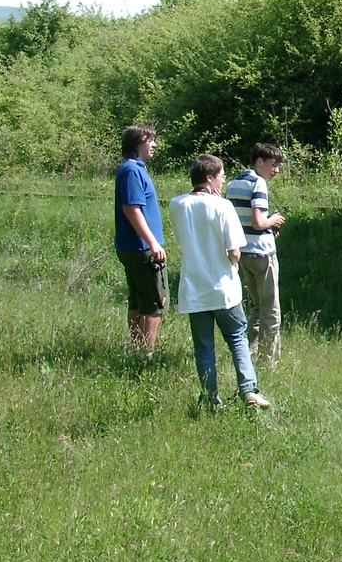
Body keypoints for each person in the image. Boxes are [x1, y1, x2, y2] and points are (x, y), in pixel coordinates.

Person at [169, 154, 271, 410]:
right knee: (237, 338)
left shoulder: (177, 204)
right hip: (223, 287)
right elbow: (234, 250)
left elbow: (182, 240)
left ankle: (209, 398)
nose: (223, 181)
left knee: (203, 347)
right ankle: (248, 389)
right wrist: (234, 264)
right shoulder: (222, 206)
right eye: (221, 176)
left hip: (194, 288)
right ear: (209, 177)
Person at [225, 143, 286, 364]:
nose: (276, 170)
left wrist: (268, 228)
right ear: (259, 161)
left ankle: (248, 354)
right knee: (271, 309)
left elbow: (238, 221)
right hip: (262, 255)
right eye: (273, 165)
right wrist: (273, 220)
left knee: (256, 307)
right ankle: (270, 360)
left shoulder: (232, 183)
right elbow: (258, 222)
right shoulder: (258, 183)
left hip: (243, 253)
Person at [114, 124, 167, 359]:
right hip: (140, 247)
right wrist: (153, 243)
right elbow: (132, 209)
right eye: (150, 140)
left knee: (137, 300)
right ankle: (146, 355)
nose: (154, 145)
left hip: (134, 247)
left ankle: (135, 352)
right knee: (155, 302)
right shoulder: (132, 171)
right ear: (137, 144)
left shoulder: (133, 169)